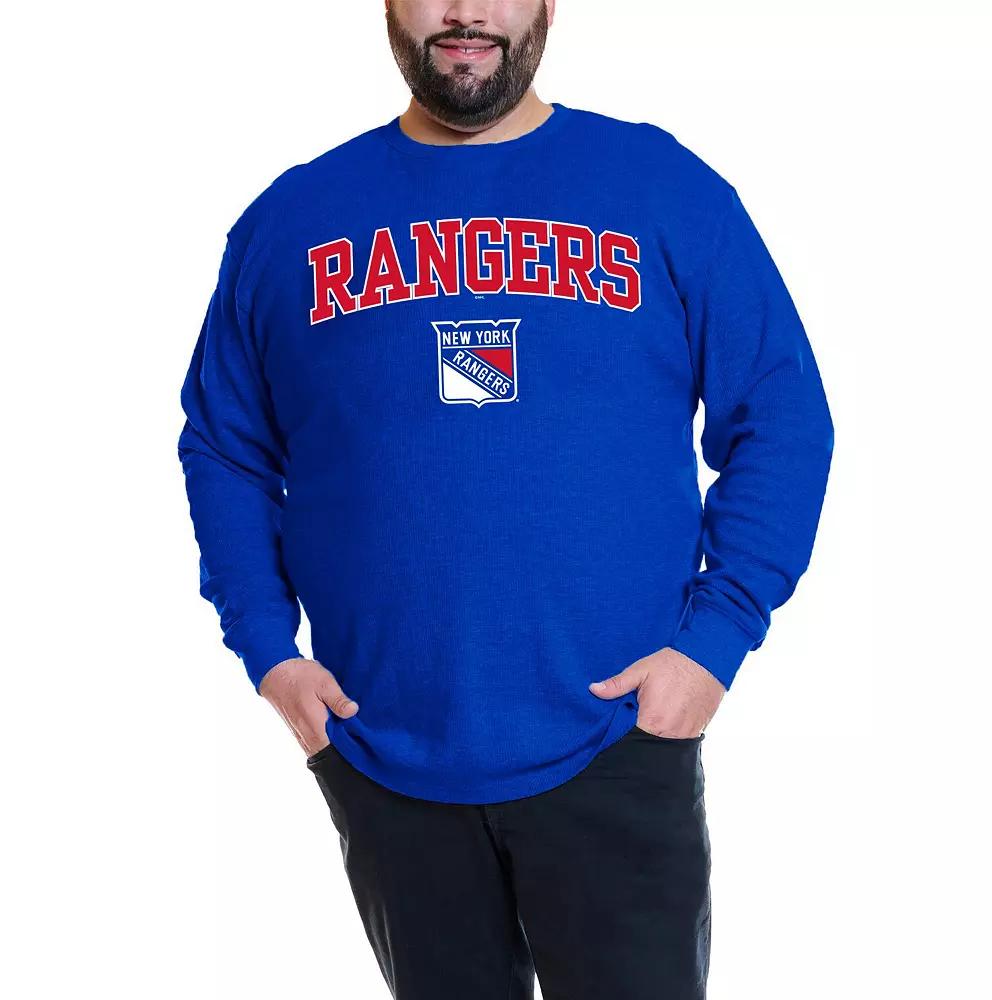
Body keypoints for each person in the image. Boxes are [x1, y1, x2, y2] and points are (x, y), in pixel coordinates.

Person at [177, 1, 834, 996]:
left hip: (617, 734)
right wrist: (268, 651)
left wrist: (715, 640)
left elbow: (781, 415)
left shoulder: (661, 187)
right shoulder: (292, 219)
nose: (467, 11)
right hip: (382, 744)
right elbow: (226, 447)